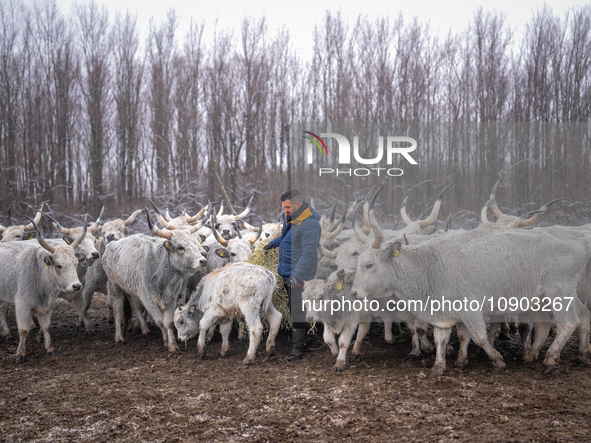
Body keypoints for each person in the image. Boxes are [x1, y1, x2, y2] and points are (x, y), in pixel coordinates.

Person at [264, 190, 321, 360]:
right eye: (284, 207)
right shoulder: (293, 218)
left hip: (300, 273)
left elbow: (309, 253)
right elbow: (287, 237)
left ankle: (298, 348)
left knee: (296, 309)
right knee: (296, 306)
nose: (285, 210)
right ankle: (309, 335)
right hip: (289, 271)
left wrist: (296, 275)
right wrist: (273, 243)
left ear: (298, 203)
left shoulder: (309, 224)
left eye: (288, 207)